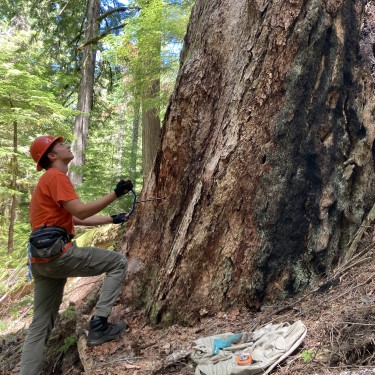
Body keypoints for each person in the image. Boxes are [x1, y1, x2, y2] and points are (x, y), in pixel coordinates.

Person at [20, 135, 133, 375]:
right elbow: (80, 209)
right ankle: (99, 325)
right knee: (118, 262)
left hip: (41, 260)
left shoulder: (46, 182)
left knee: (41, 322)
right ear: (51, 156)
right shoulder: (56, 176)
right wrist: (116, 194)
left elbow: (75, 218)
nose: (67, 146)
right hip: (58, 253)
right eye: (60, 145)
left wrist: (112, 219)